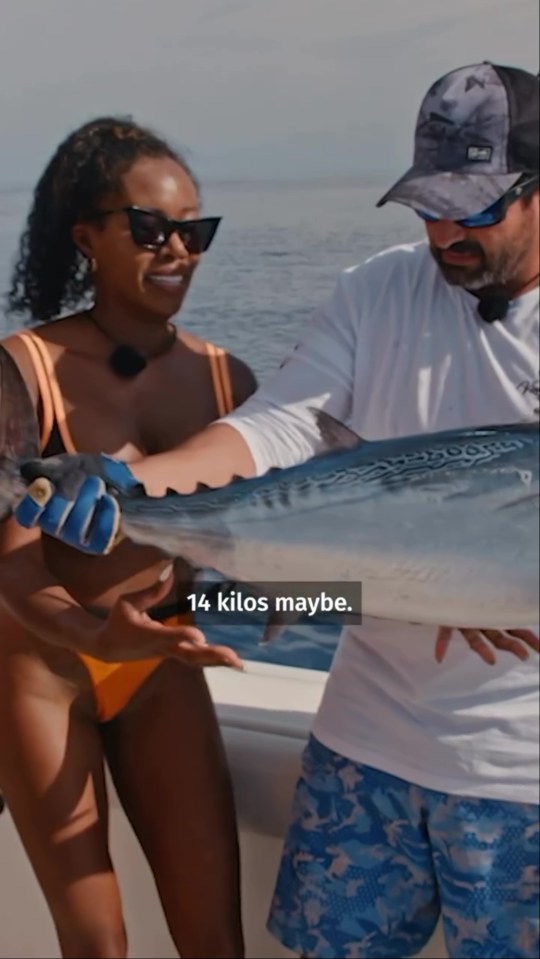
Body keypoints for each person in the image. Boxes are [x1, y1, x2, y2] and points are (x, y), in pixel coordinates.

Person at [15, 62, 540, 959]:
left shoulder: (213, 367)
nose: (444, 229)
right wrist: (135, 494)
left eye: (476, 207)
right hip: (361, 747)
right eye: (428, 203)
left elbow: (308, 588)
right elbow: (280, 430)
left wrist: (434, 585)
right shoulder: (381, 289)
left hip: (517, 776)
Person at [0, 116, 258, 959]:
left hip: (160, 666)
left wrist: (378, 602)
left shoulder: (229, 380)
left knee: (216, 939)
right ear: (88, 237)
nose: (176, 249)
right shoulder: (23, 364)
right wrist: (87, 631)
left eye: (195, 231)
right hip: (41, 671)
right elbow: (11, 562)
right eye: (149, 229)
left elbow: (261, 569)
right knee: (97, 945)